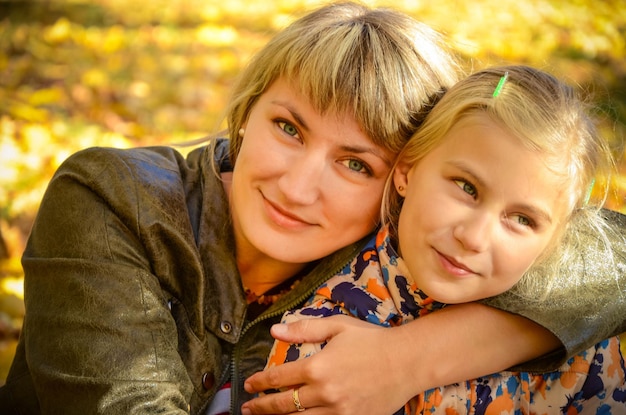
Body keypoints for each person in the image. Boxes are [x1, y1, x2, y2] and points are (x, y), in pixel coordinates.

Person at [0, 2, 623, 415]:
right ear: (247, 113)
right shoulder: (114, 197)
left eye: (356, 164)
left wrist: (406, 361)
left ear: (402, 180)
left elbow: (612, 258)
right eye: (288, 128)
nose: (297, 188)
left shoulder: (407, 251)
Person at [262, 65, 626, 414]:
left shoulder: (582, 345)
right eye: (467, 187)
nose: (474, 238)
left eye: (521, 219)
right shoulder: (322, 339)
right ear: (406, 170)